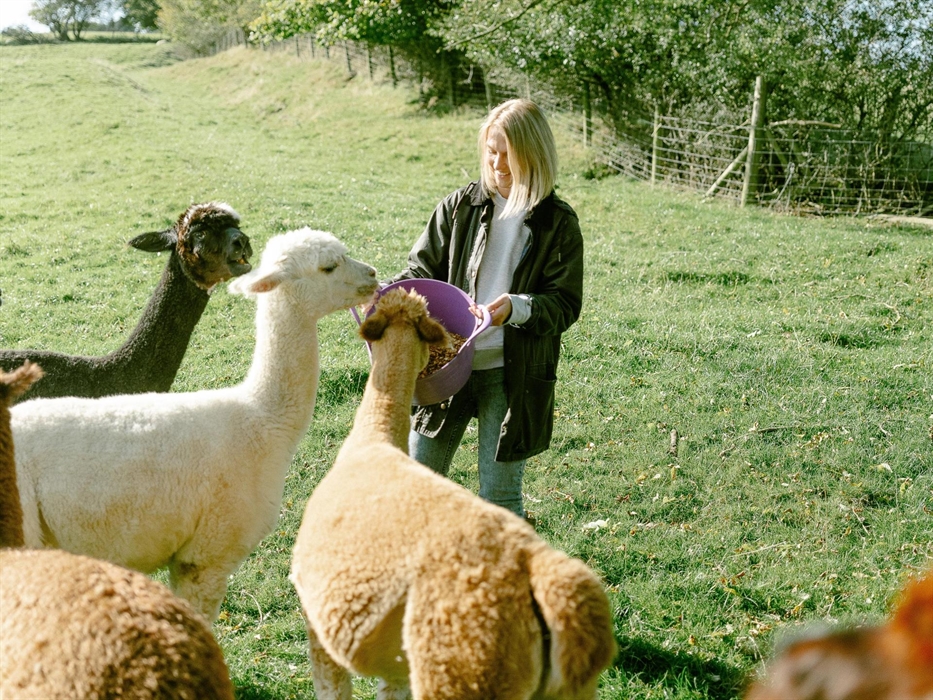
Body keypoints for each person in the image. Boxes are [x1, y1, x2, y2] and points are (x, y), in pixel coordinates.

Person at [385, 98, 584, 520]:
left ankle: (505, 583)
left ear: (536, 155)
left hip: (511, 375)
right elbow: (418, 270)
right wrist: (394, 297)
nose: (499, 166)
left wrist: (516, 307)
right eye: (492, 153)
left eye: (511, 155)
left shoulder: (558, 223)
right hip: (445, 368)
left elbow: (564, 303)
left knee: (501, 500)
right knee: (419, 484)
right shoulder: (459, 209)